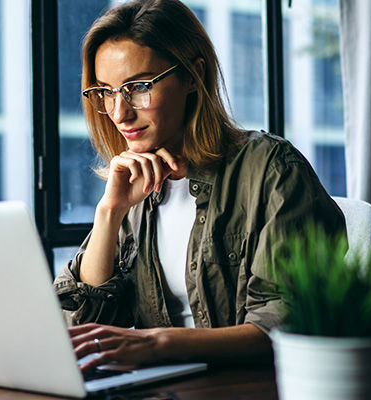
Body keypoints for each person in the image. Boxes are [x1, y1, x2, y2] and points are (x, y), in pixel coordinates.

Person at [53, 0, 345, 371]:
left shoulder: (272, 170)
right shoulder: (136, 184)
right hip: (165, 387)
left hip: (248, 388)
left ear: (193, 75)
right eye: (106, 92)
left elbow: (284, 327)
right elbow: (79, 327)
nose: (119, 113)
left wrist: (158, 343)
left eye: (138, 87)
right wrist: (110, 212)